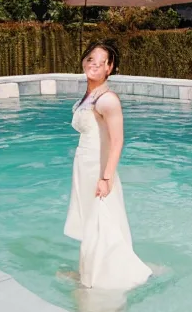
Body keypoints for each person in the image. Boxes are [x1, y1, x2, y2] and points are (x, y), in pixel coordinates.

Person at [64, 40, 152, 291]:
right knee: (91, 222)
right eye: (89, 58)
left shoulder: (107, 100)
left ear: (110, 67)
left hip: (98, 168)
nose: (93, 64)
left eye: (100, 61)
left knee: (101, 223)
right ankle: (87, 271)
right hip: (85, 165)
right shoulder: (89, 95)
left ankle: (104, 276)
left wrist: (106, 177)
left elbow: (117, 141)